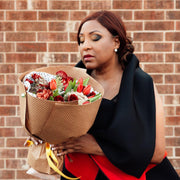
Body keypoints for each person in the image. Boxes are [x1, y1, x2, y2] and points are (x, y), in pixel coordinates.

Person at [51, 11, 179, 180]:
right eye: (81, 40)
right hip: (84, 174)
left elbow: (156, 153)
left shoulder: (141, 84)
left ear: (116, 41)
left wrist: (97, 147)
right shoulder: (71, 85)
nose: (85, 46)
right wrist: (43, 135)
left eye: (95, 38)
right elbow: (62, 133)